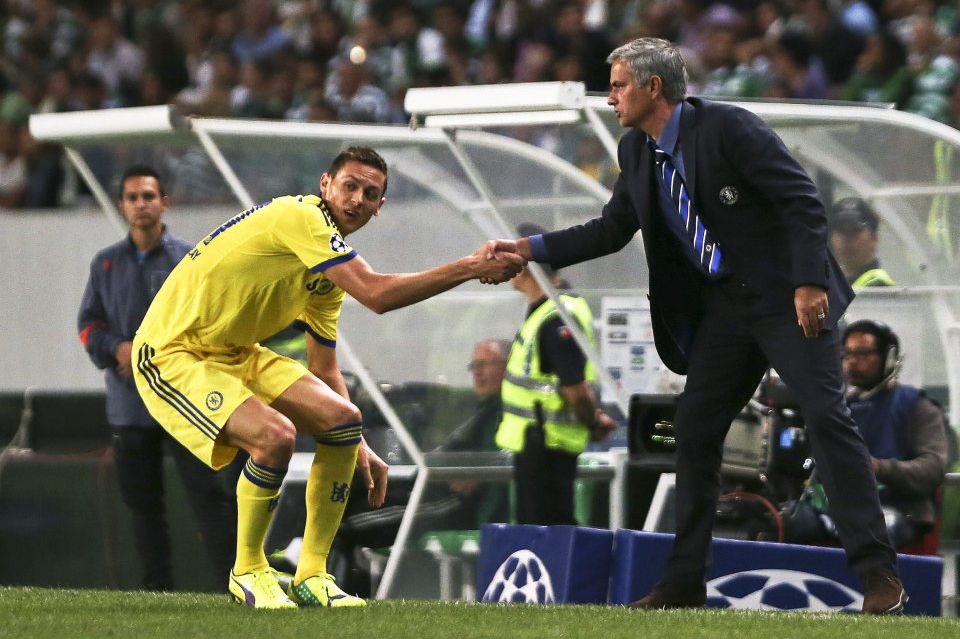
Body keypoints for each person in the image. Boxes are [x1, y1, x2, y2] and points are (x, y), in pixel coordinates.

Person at [489, 38, 905, 614]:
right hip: (724, 309)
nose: (609, 97)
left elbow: (803, 200)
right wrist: (528, 248)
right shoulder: (635, 151)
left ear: (652, 87)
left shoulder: (730, 128)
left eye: (617, 85)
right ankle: (685, 580)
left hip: (786, 296)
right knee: (694, 430)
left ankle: (879, 573)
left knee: (825, 415)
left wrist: (810, 283)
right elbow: (611, 228)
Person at [132, 146, 524, 609]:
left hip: (235, 352)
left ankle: (312, 575)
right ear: (325, 185)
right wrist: (471, 267)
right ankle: (248, 572)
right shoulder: (300, 217)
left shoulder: (325, 270)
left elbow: (324, 368)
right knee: (275, 437)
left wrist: (355, 442)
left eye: (370, 193)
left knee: (343, 417)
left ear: (380, 207)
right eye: (349, 186)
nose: (357, 199)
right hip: (173, 351)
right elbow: (377, 294)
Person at [78, 164, 238, 591]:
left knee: (209, 498)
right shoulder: (106, 264)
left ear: (163, 202)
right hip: (130, 408)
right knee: (144, 507)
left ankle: (235, 585)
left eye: (148, 196)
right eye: (132, 197)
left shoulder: (190, 259)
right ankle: (158, 590)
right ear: (122, 205)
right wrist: (117, 348)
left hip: (186, 403)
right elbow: (88, 325)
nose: (140, 204)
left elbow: (211, 320)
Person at [322, 338, 512, 596]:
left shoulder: (508, 411)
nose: (477, 372)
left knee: (346, 524)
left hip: (452, 501)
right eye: (474, 365)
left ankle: (331, 593)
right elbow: (444, 453)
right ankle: (311, 573)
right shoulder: (481, 409)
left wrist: (479, 473)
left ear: (509, 367)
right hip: (426, 487)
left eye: (486, 364)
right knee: (346, 499)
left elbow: (500, 459)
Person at [495, 224, 616, 525]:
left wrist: (592, 421)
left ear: (524, 268)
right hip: (538, 446)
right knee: (543, 532)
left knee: (547, 535)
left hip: (546, 449)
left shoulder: (556, 317)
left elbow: (574, 389)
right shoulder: (546, 311)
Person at [840, 319, 952, 546]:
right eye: (848, 354)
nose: (852, 362)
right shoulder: (839, 408)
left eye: (862, 353)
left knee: (877, 529)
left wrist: (880, 468)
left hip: (902, 513)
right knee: (788, 523)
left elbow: (933, 469)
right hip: (843, 510)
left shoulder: (917, 406)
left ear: (889, 358)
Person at [829, 197, 895, 288]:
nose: (846, 238)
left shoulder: (879, 286)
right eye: (840, 230)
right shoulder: (834, 282)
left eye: (854, 230)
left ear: (873, 238)